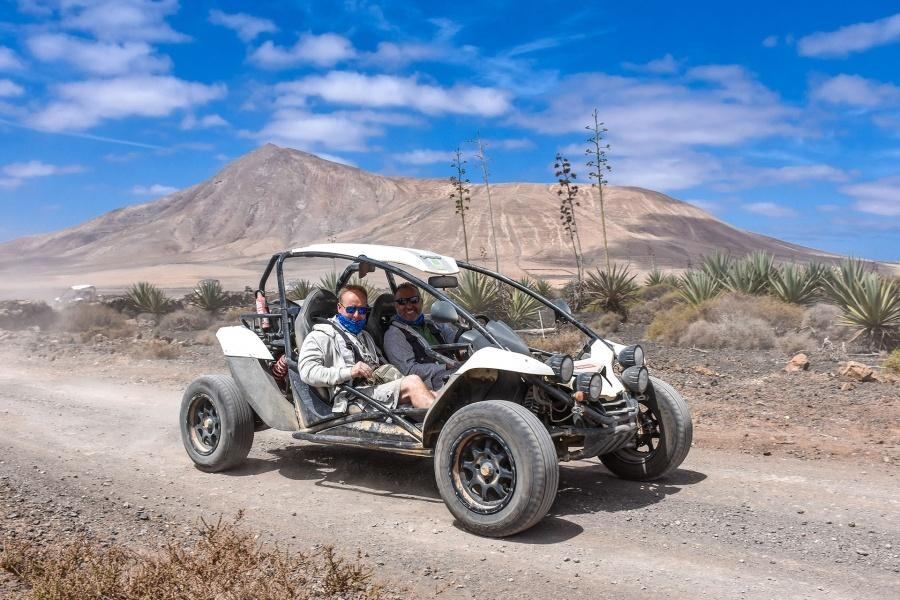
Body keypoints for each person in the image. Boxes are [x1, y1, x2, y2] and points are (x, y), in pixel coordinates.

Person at [297, 284, 435, 413]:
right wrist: (349, 372)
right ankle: (445, 433)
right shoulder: (321, 336)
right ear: (339, 308)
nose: (357, 315)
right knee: (413, 382)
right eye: (351, 309)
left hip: (375, 390)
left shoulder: (364, 336)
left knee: (434, 394)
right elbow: (307, 372)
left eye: (362, 310)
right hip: (352, 397)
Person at [383, 282, 459, 391]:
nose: (409, 306)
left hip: (453, 372)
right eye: (402, 302)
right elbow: (408, 370)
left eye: (414, 300)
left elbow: (455, 338)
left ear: (421, 302)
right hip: (432, 383)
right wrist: (445, 366)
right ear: (396, 306)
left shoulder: (433, 323)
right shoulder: (394, 335)